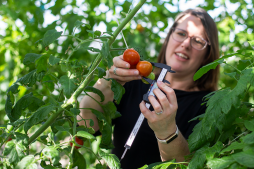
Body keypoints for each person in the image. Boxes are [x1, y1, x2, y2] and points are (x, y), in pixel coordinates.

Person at [78, 7, 220, 169]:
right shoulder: (132, 80)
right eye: (181, 33)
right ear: (169, 37)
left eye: (198, 41)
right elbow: (86, 125)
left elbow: (192, 165)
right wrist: (106, 82)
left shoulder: (212, 105)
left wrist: (168, 132)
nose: (186, 44)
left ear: (208, 54)